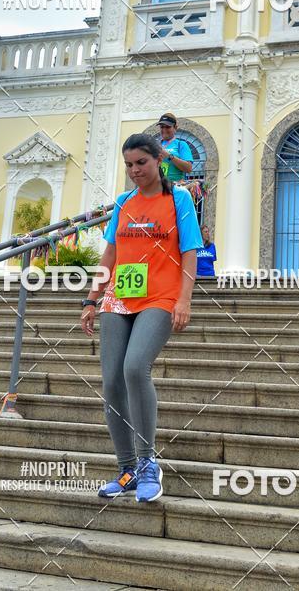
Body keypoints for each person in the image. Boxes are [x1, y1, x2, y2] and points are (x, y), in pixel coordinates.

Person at [80, 133, 202, 503]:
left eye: (141, 163)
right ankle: (127, 469)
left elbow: (190, 252)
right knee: (112, 383)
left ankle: (148, 463)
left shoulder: (178, 199)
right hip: (119, 298)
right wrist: (91, 299)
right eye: (129, 165)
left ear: (158, 160)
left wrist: (184, 300)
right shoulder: (124, 202)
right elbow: (110, 253)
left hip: (161, 297)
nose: (135, 170)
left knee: (135, 368)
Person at [157, 113, 194, 181]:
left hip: (175, 185)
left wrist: (169, 156)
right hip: (157, 185)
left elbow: (188, 168)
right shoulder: (155, 145)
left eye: (168, 127)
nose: (164, 129)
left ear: (175, 128)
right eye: (162, 127)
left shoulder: (181, 144)